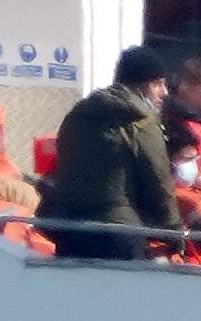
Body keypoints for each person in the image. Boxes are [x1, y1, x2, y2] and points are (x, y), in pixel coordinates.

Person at [41, 46, 183, 261]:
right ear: (138, 85)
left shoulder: (78, 116)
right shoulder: (141, 121)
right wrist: (174, 232)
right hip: (118, 233)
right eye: (157, 83)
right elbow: (158, 180)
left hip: (69, 229)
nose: (164, 92)